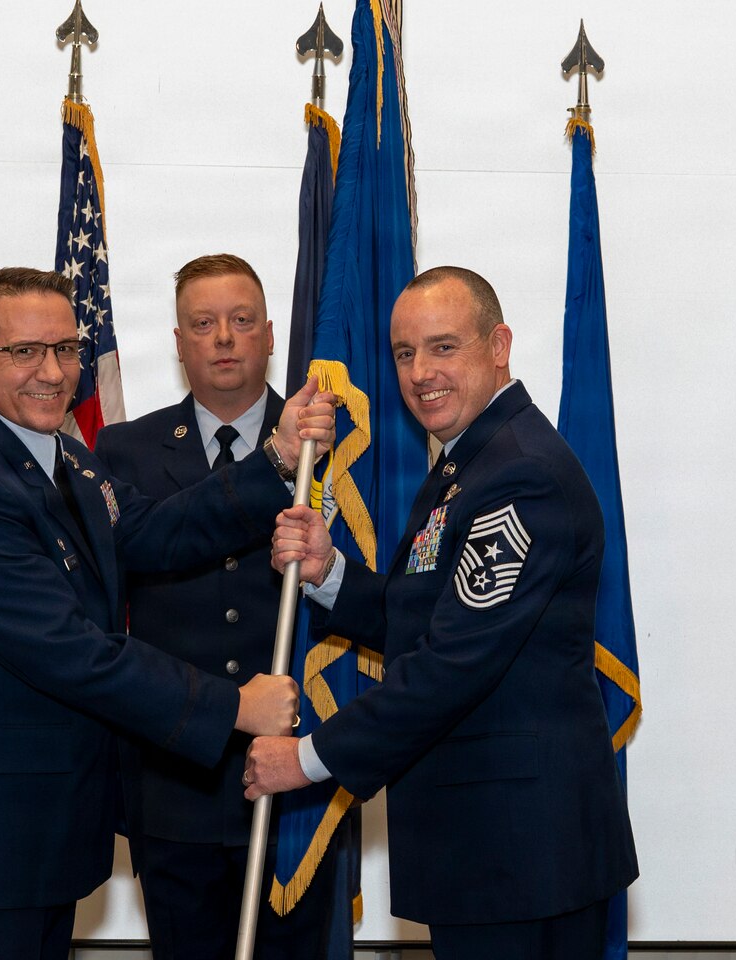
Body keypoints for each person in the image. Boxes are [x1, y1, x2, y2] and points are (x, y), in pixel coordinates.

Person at [0, 267, 335, 960]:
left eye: (65, 348)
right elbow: (72, 651)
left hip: (34, 841)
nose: (52, 372)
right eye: (24, 352)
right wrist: (235, 706)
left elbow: (158, 531)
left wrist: (278, 457)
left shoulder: (59, 459)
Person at [244, 266, 638, 960]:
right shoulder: (470, 462)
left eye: (444, 347)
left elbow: (452, 665)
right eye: (405, 353)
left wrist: (306, 759)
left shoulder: (520, 475)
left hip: (520, 854)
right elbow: (430, 615)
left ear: (500, 346)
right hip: (489, 849)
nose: (421, 372)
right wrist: (330, 575)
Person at [95, 254, 348, 960]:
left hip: (301, 777)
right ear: (178, 344)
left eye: (241, 320)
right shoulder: (123, 450)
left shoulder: (334, 446)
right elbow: (134, 567)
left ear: (270, 334)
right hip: (177, 785)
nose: (225, 338)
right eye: (203, 324)